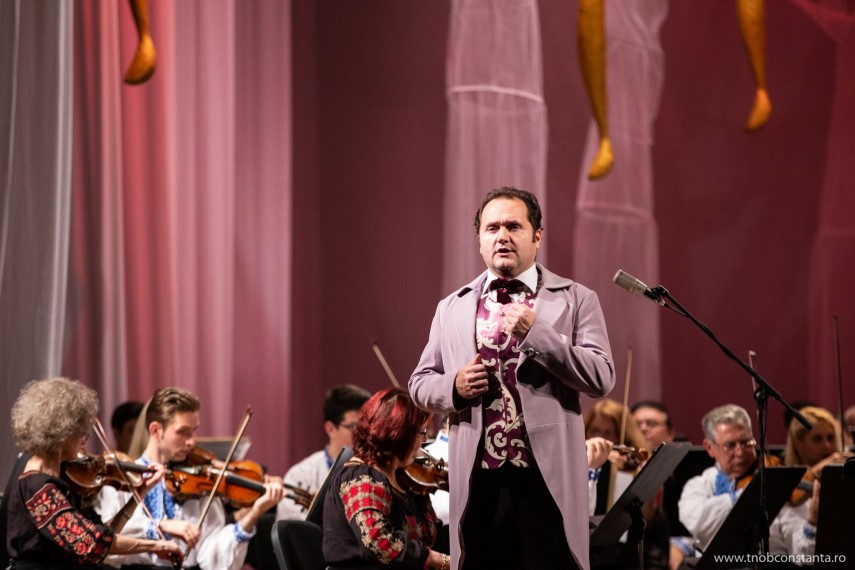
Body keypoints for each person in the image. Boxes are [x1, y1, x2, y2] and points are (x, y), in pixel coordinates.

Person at [409, 187, 615, 569]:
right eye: (492, 228)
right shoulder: (452, 306)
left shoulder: (576, 299)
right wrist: (453, 387)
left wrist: (540, 336)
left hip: (546, 480)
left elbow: (601, 376)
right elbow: (419, 383)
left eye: (513, 226)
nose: (502, 235)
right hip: (477, 481)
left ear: (536, 237)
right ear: (480, 241)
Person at [94, 386, 284, 569]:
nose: (192, 441)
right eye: (183, 432)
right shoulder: (122, 478)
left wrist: (253, 515)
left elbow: (211, 557)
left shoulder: (197, 483)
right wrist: (161, 525)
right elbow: (106, 536)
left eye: (193, 431)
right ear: (155, 430)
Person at [7, 377, 182, 568]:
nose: (85, 438)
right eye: (80, 430)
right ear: (61, 432)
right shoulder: (37, 487)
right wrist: (155, 545)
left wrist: (138, 496)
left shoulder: (59, 480)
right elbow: (89, 543)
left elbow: (103, 534)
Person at [322, 387, 449, 569]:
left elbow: (432, 536)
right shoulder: (362, 477)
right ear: (398, 434)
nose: (423, 440)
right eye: (420, 433)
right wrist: (438, 560)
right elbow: (377, 542)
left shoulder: (403, 478)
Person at [676, 404, 758, 564]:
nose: (740, 452)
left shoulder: (768, 478)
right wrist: (745, 495)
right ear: (710, 448)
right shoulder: (698, 486)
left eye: (746, 442)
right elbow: (700, 525)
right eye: (730, 445)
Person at [275, 383, 371, 521]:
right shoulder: (300, 476)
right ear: (331, 429)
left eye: (365, 426)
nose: (362, 434)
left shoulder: (376, 469)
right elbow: (294, 535)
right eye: (354, 427)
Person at [770, 406, 850, 562]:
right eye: (817, 439)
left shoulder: (843, 479)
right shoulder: (790, 492)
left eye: (831, 437)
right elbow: (802, 557)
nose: (827, 446)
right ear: (798, 444)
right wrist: (813, 521)